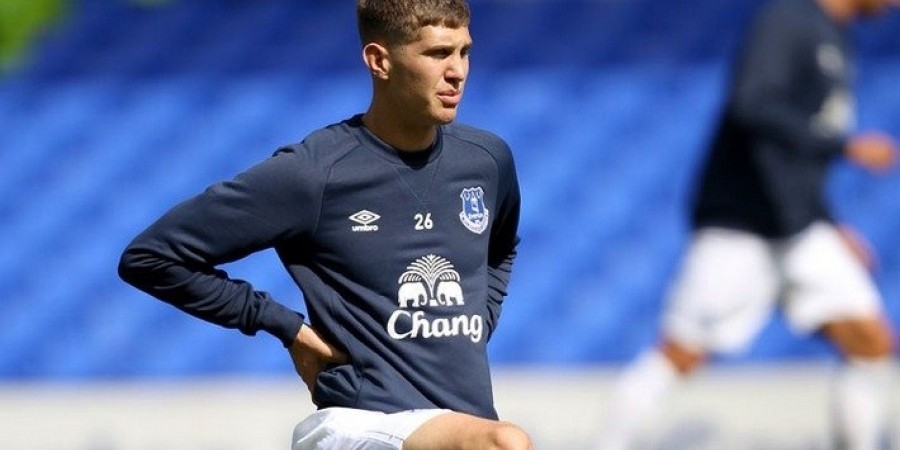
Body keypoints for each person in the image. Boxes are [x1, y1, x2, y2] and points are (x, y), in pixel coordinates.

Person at [118, 1, 533, 449]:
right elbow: (151, 257)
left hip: (459, 423)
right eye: (437, 54)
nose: (457, 71)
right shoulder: (315, 173)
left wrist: (479, 317)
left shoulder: (486, 161)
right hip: (359, 422)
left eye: (464, 52)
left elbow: (500, 247)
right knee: (503, 444)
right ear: (379, 61)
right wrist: (285, 327)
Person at [593, 0, 899, 449]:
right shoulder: (788, 20)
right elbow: (753, 103)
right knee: (680, 354)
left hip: (799, 226)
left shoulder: (834, 36)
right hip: (744, 221)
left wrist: (828, 223)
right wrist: (844, 146)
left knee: (870, 341)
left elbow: (792, 161)